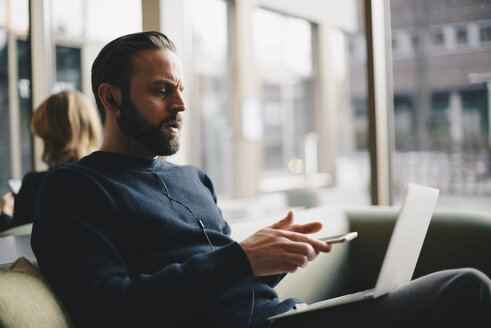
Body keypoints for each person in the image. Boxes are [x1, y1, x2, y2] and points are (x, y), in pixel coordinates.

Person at [30, 31, 490, 328]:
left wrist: (272, 260)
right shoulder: (73, 190)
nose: (180, 105)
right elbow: (110, 308)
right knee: (465, 289)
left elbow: (227, 285)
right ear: (111, 98)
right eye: (160, 90)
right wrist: (240, 259)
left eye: (181, 90)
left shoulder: (195, 180)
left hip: (287, 317)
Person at [0, 90, 102, 233]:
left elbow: (16, 238)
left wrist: (4, 213)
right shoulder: (106, 178)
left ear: (51, 140)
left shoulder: (37, 184)